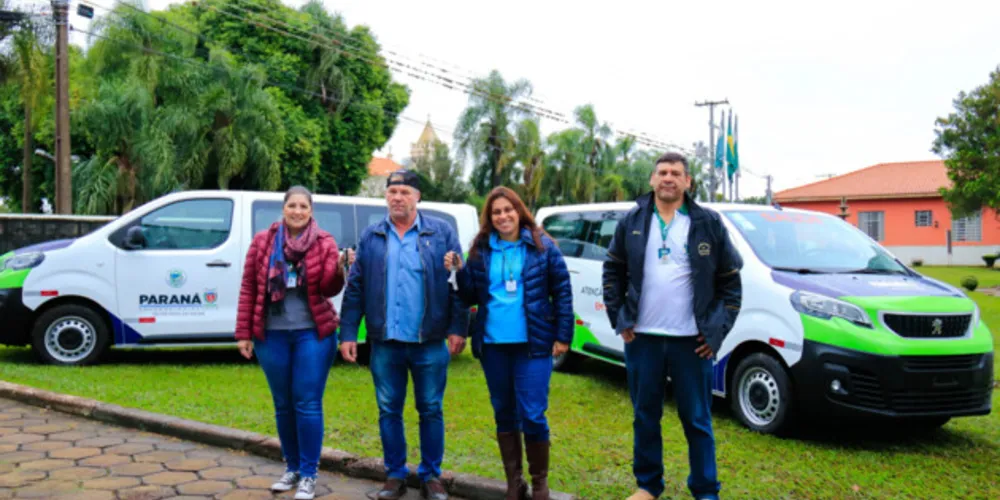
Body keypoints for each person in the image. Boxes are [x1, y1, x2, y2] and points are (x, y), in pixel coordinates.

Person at [602, 152, 743, 500]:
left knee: (697, 420)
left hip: (691, 343)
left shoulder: (707, 223)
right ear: (652, 180)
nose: (668, 178)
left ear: (687, 182)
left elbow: (730, 283)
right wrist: (620, 318)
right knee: (645, 416)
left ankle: (706, 490)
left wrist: (716, 332)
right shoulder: (632, 221)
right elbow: (612, 270)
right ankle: (648, 486)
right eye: (662, 172)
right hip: (643, 339)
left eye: (676, 173)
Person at [339, 170, 468, 500]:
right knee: (388, 410)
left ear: (418, 196)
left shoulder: (441, 233)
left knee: (431, 409)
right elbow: (356, 288)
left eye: (405, 192)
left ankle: (431, 476)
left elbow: (457, 286)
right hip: (386, 343)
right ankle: (395, 474)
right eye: (392, 191)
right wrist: (348, 333)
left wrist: (457, 329)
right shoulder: (371, 237)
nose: (398, 197)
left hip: (429, 342)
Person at [444, 187, 573, 500]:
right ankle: (514, 483)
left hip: (534, 346)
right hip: (494, 346)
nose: (502, 217)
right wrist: (459, 272)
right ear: (489, 218)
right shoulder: (481, 251)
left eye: (507, 210)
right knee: (504, 413)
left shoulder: (543, 247)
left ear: (519, 211)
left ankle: (539, 483)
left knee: (533, 414)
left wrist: (563, 335)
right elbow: (470, 296)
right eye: (496, 212)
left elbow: (563, 291)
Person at [235, 186, 346, 500]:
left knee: (307, 402)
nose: (298, 211)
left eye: (304, 207)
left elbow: (328, 287)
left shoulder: (324, 242)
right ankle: (293, 468)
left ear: (311, 211)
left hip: (312, 333)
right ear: (283, 208)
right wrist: (243, 332)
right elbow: (248, 289)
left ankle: (309, 474)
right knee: (283, 404)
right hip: (271, 334)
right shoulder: (263, 242)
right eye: (292, 205)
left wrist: (339, 269)